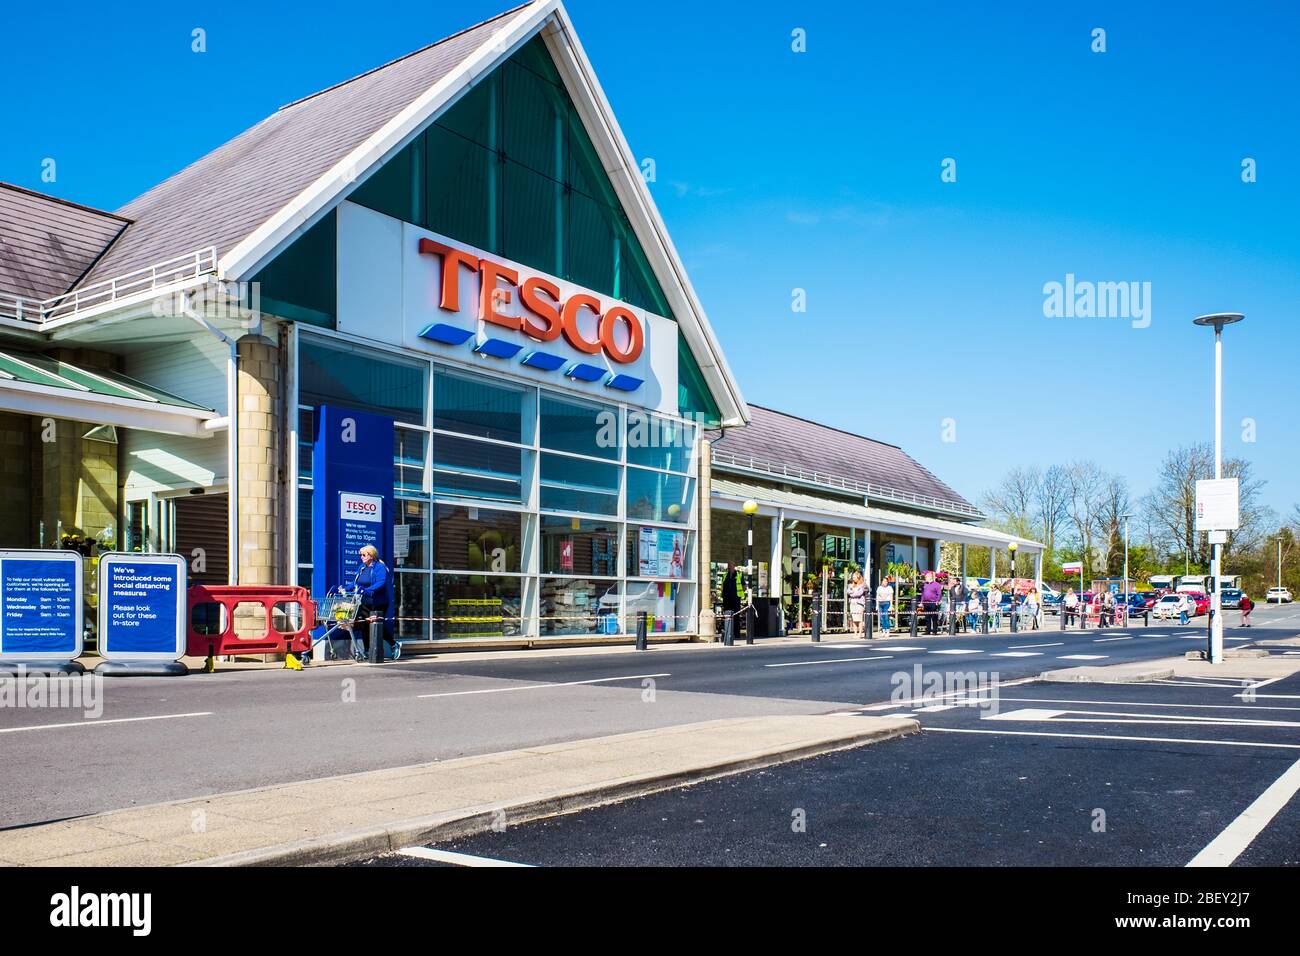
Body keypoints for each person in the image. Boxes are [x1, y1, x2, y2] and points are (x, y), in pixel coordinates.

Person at [354, 544, 391, 659]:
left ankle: (393, 644)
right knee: (365, 625)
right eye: (360, 555)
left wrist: (367, 590)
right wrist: (346, 588)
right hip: (365, 602)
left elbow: (381, 582)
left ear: (371, 555)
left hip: (378, 602)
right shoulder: (362, 567)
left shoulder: (379, 567)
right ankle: (366, 650)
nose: (361, 557)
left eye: (364, 554)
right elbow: (357, 583)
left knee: (376, 626)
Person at [920, 571, 943, 636]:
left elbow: (939, 594)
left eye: (926, 577)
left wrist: (937, 601)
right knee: (927, 617)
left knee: (934, 617)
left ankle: (935, 631)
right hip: (926, 602)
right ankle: (928, 630)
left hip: (933, 602)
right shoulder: (925, 584)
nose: (925, 578)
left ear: (930, 577)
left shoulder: (936, 584)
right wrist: (921, 602)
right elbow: (923, 594)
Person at [847, 570, 867, 637]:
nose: (853, 579)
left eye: (855, 577)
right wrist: (852, 592)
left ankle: (860, 633)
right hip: (852, 603)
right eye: (853, 577)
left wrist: (852, 593)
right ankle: (855, 633)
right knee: (854, 619)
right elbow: (848, 591)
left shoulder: (862, 585)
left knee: (859, 619)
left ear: (858, 577)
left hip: (859, 604)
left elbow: (859, 593)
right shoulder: (851, 584)